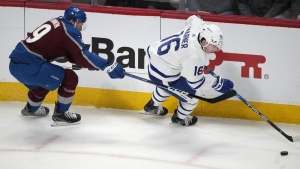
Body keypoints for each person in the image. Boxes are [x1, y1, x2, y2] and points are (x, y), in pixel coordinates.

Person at [8, 6, 124, 126]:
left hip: (15, 65)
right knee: (70, 78)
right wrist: (107, 65)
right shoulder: (69, 30)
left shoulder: (58, 22)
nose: (80, 28)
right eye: (80, 24)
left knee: (42, 85)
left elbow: (73, 56)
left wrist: (98, 66)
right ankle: (61, 114)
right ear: (72, 21)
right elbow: (82, 55)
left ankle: (30, 110)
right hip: (31, 66)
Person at [142, 15, 234, 126]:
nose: (217, 49)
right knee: (192, 97)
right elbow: (195, 83)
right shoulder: (194, 55)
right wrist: (217, 83)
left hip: (155, 60)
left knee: (166, 86)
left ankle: (152, 106)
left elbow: (193, 17)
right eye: (214, 46)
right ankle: (179, 118)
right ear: (204, 42)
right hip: (163, 73)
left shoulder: (198, 26)